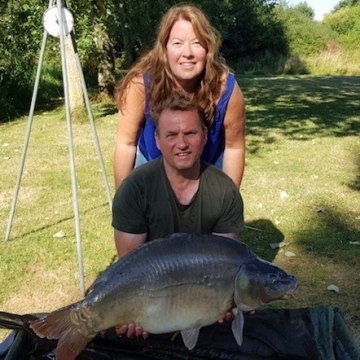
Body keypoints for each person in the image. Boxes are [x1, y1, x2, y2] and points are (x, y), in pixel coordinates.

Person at [112, 92, 244, 337]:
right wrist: (129, 315)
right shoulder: (134, 188)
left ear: (205, 136)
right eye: (171, 135)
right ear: (157, 140)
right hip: (149, 294)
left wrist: (225, 304)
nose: (181, 144)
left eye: (190, 133)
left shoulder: (225, 192)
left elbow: (226, 267)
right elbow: (127, 268)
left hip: (200, 299)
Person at [114, 4, 246, 190]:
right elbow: (126, 144)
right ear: (164, 48)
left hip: (207, 167)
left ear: (208, 49)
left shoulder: (225, 89)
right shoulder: (139, 85)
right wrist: (123, 202)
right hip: (152, 165)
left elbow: (235, 148)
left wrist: (229, 203)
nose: (188, 53)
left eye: (197, 43)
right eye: (177, 43)